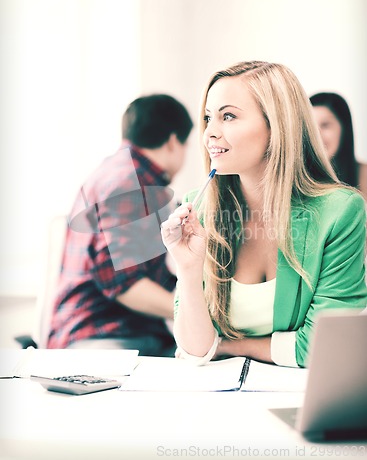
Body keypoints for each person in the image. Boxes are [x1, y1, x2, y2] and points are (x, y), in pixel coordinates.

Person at [161, 61, 367, 368]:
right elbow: (195, 351)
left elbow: (324, 347)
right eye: (208, 118)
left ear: (277, 125)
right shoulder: (199, 208)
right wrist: (188, 270)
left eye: (228, 116)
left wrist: (231, 346)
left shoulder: (340, 211)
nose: (209, 134)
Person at [47, 94, 193, 356]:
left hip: (92, 330)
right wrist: (195, 311)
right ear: (173, 141)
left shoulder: (113, 171)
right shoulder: (131, 183)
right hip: (102, 334)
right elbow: (124, 285)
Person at [309, 92, 367, 200]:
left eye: (325, 125)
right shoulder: (296, 180)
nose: (317, 134)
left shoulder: (364, 175)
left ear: (344, 128)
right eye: (311, 127)